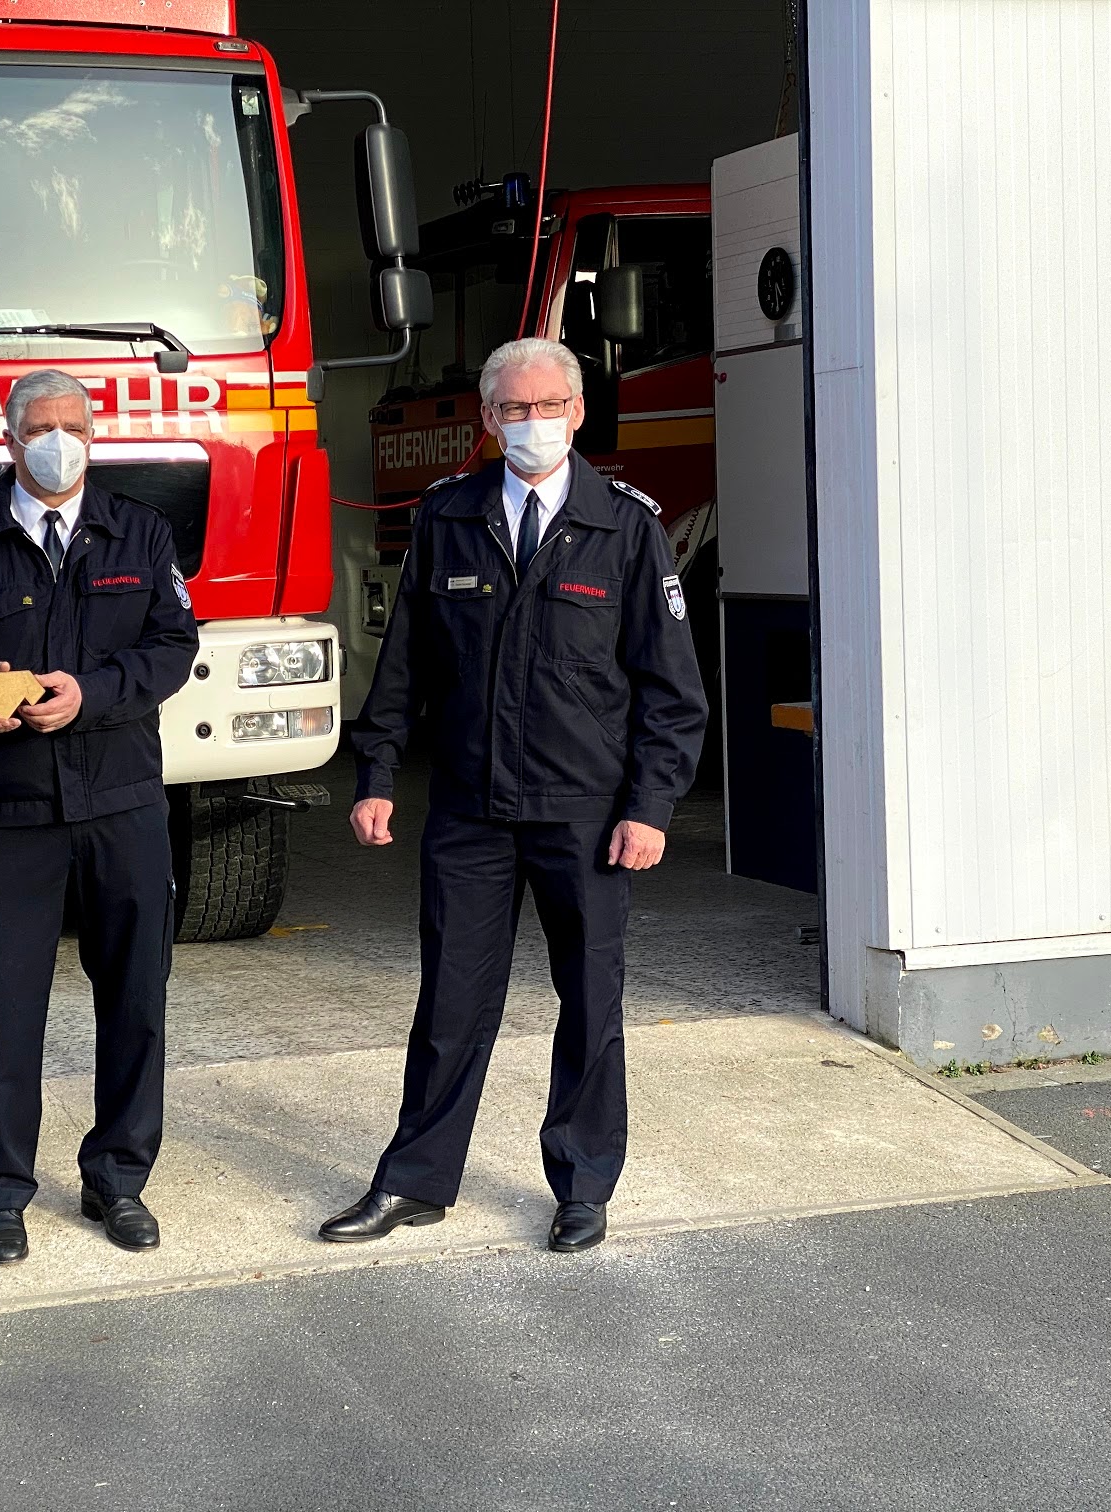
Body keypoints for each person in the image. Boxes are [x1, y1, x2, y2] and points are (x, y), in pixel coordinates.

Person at [321, 337, 708, 1254]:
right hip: (471, 811)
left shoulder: (626, 528)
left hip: (587, 813)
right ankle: (415, 1181)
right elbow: (405, 665)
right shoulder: (448, 518)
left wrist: (650, 808)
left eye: (548, 406)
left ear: (579, 413)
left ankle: (582, 1187)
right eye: (514, 409)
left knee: (590, 1004)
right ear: (488, 419)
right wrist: (376, 774)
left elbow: (672, 692)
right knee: (450, 1005)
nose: (532, 422)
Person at [0, 368, 197, 1266]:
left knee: (137, 996)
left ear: (93, 435)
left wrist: (92, 692)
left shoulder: (140, 530)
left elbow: (173, 645)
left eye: (74, 425)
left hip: (123, 801)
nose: (58, 441)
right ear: (10, 437)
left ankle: (119, 1180)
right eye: (40, 427)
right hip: (5, 808)